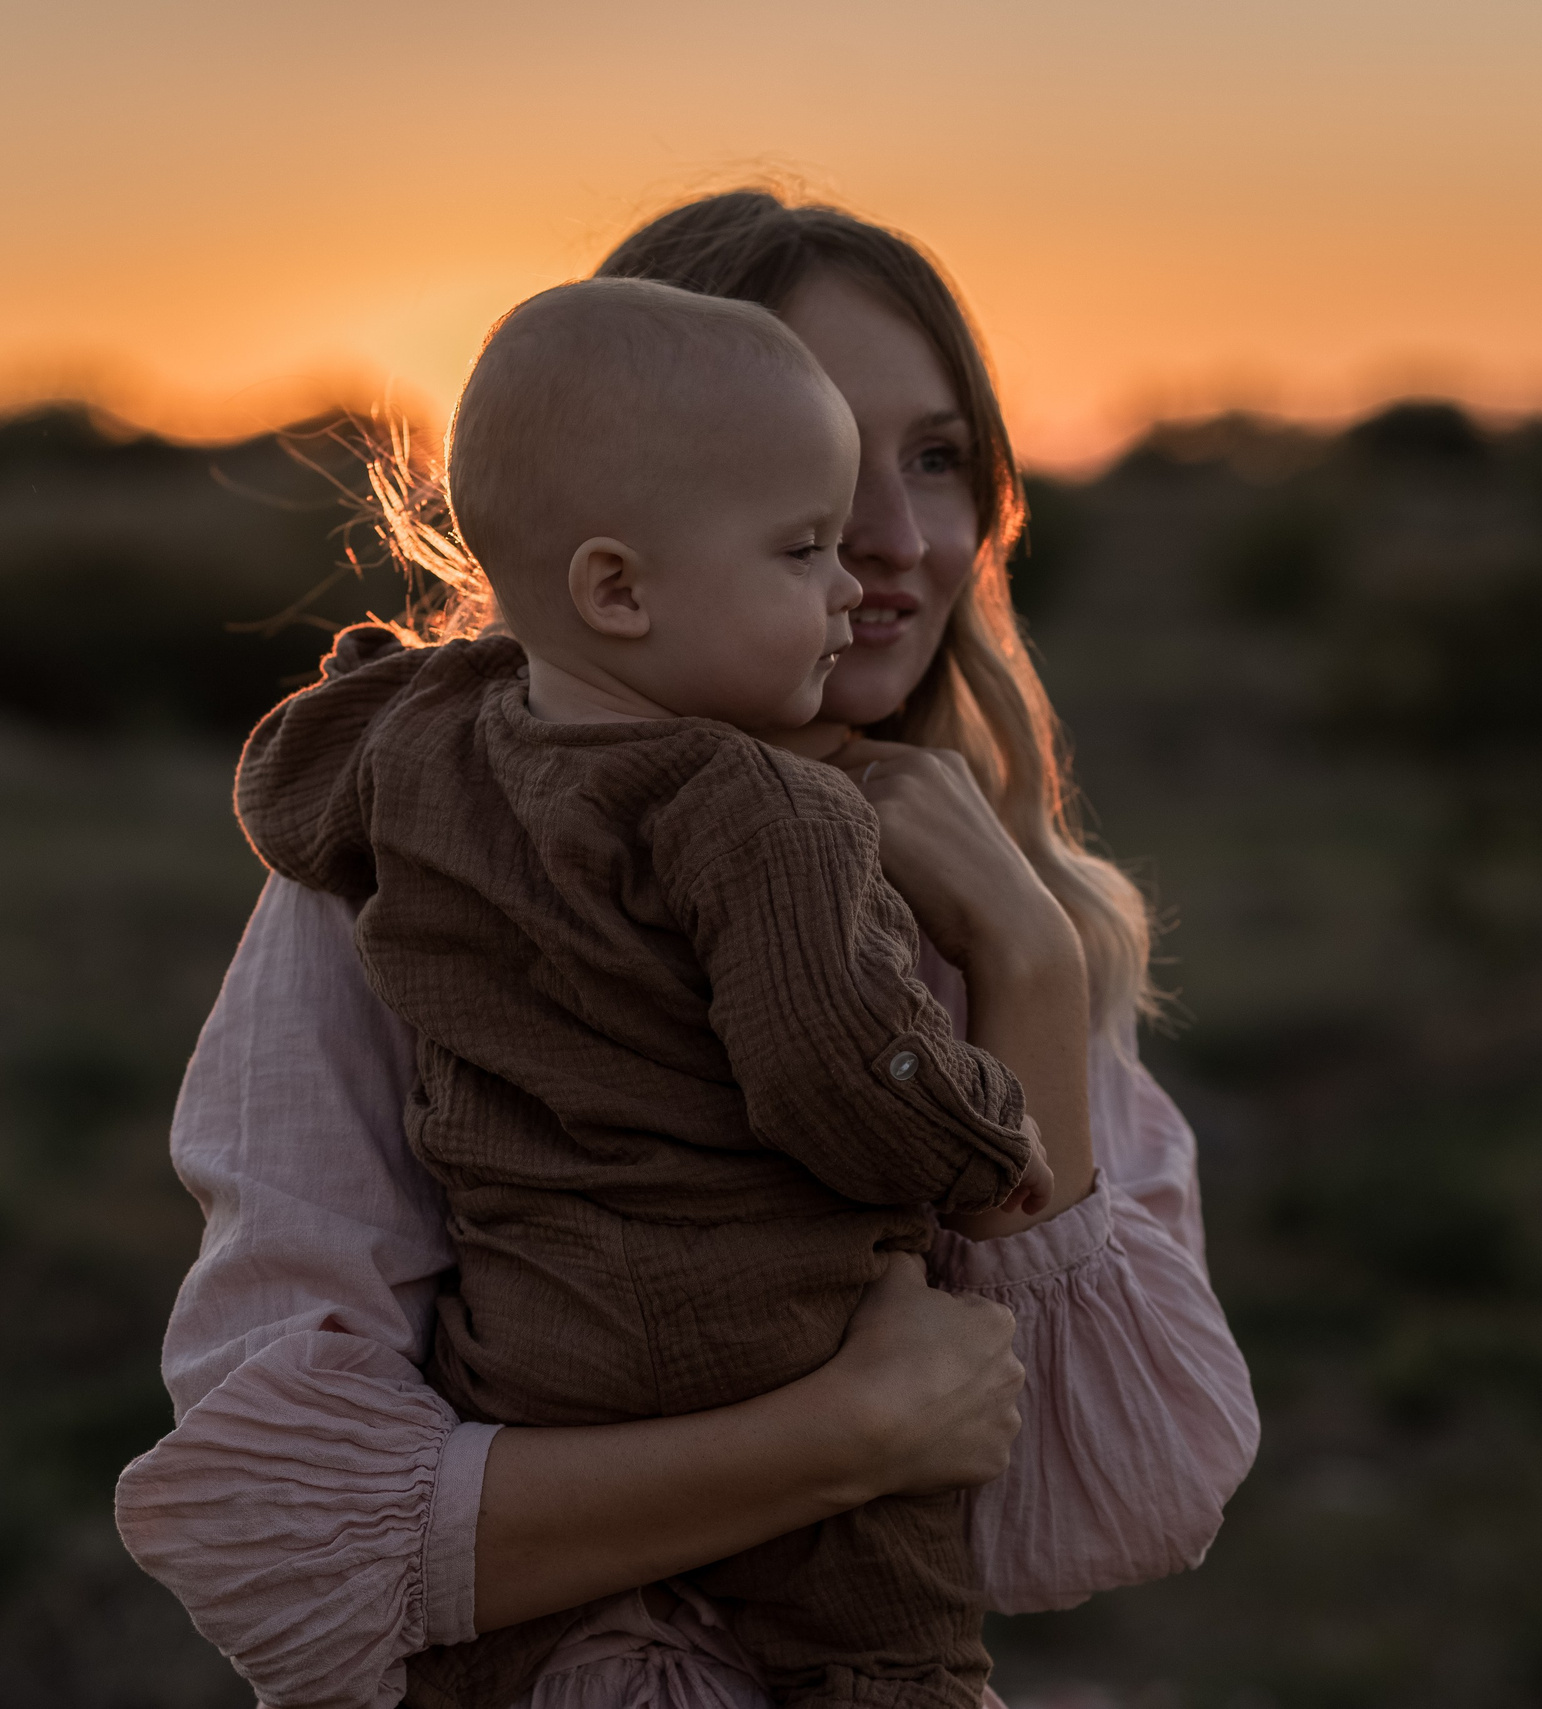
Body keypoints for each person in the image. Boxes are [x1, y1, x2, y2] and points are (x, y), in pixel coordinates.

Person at [115, 190, 1260, 1709]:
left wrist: (1028, 961)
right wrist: (837, 1437)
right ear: (619, 532)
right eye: (824, 469)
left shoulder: (1010, 888)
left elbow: (1102, 1504)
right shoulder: (416, 875)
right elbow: (283, 1551)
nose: (901, 540)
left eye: (937, 456)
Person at [238, 277, 1056, 1709]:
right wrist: (983, 1144)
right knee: (888, 1625)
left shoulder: (426, 742)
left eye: (937, 459)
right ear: (619, 585)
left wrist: (376, 683)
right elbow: (835, 1066)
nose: (861, 575)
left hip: (526, 1357)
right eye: (804, 544)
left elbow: (284, 782)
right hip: (756, 1325)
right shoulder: (762, 811)